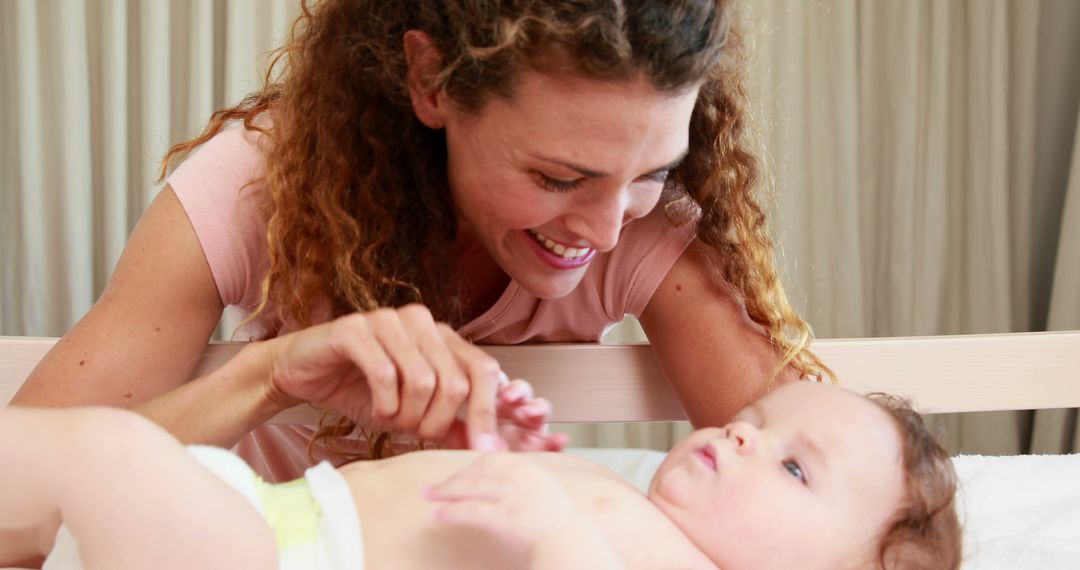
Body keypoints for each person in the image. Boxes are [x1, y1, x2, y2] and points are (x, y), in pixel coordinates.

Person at [12, 0, 831, 481]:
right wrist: (273, 375)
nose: (609, 228)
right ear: (432, 82)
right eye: (558, 178)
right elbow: (19, 488)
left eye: (653, 171)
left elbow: (852, 485)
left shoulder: (650, 229)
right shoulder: (264, 181)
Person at [0, 380, 961, 570]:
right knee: (104, 460)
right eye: (753, 422)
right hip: (258, 519)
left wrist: (554, 534)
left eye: (795, 467)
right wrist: (483, 454)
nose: (742, 437)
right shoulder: (628, 506)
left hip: (275, 557)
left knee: (104, 453)